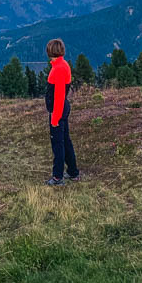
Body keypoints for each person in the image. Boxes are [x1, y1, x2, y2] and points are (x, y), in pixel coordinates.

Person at [44, 38, 80, 186]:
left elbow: (58, 96)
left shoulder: (58, 68)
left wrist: (55, 118)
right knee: (65, 141)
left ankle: (58, 177)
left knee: (58, 144)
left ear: (50, 51)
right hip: (63, 108)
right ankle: (73, 172)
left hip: (58, 111)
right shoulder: (63, 64)